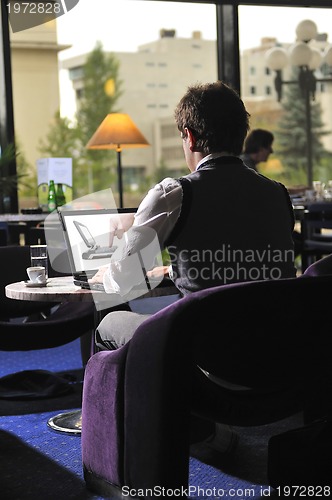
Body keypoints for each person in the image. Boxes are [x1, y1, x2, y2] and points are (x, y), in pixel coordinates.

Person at [90, 81, 296, 352]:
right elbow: (240, 259)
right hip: (274, 345)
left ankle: (133, 394)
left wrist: (106, 272)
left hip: (206, 349)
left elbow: (124, 281)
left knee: (109, 323)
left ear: (190, 136)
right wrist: (177, 268)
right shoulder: (278, 194)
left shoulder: (174, 194)